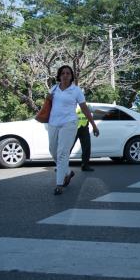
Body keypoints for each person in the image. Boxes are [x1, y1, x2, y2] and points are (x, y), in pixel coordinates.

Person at [47, 65, 99, 195]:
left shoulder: (76, 90)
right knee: (52, 150)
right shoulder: (53, 89)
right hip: (53, 123)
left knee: (62, 153)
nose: (65, 75)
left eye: (68, 73)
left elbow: (84, 108)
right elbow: (47, 104)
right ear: (59, 75)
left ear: (71, 76)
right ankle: (68, 172)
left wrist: (93, 125)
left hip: (69, 123)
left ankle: (59, 184)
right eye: (63, 73)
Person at [73, 106, 94, 172]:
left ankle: (85, 165)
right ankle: (61, 166)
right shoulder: (72, 103)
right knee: (68, 147)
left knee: (87, 147)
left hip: (84, 128)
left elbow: (94, 111)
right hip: (73, 128)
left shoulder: (87, 105)